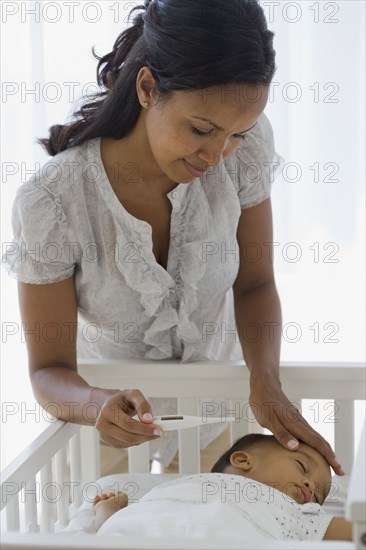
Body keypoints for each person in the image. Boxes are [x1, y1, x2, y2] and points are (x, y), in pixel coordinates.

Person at [2, 0, 344, 475]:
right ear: (146, 88)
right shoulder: (55, 202)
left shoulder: (243, 155)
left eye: (237, 134)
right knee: (103, 525)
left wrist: (264, 380)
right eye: (202, 129)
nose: (219, 155)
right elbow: (47, 371)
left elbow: (255, 283)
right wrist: (95, 403)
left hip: (216, 403)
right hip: (108, 414)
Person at [90, 434, 351, 541]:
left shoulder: (296, 512)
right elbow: (120, 527)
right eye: (302, 468)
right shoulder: (176, 487)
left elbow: (355, 531)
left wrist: (107, 513)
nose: (309, 485)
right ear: (242, 460)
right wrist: (110, 509)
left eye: (318, 494)